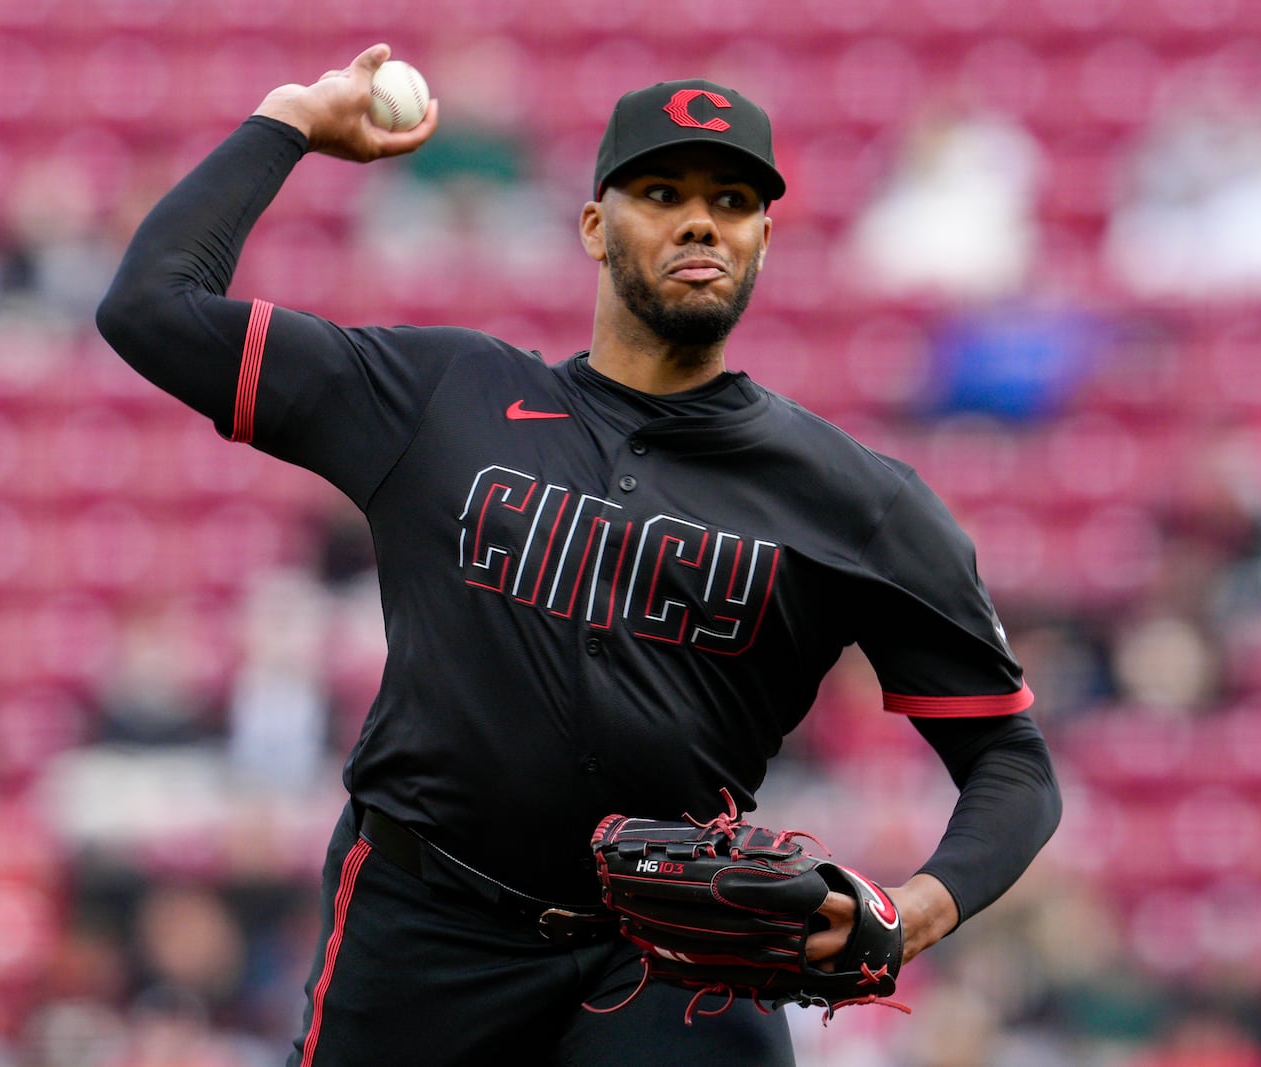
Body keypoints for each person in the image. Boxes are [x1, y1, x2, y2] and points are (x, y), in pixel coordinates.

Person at [96, 44, 1062, 1067]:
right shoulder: (441, 398)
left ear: (764, 239)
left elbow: (1011, 761)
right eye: (661, 190)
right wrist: (286, 121)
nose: (701, 219)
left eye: (732, 201)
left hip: (672, 953)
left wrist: (910, 910)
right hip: (424, 928)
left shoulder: (854, 498)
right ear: (595, 227)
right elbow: (152, 308)